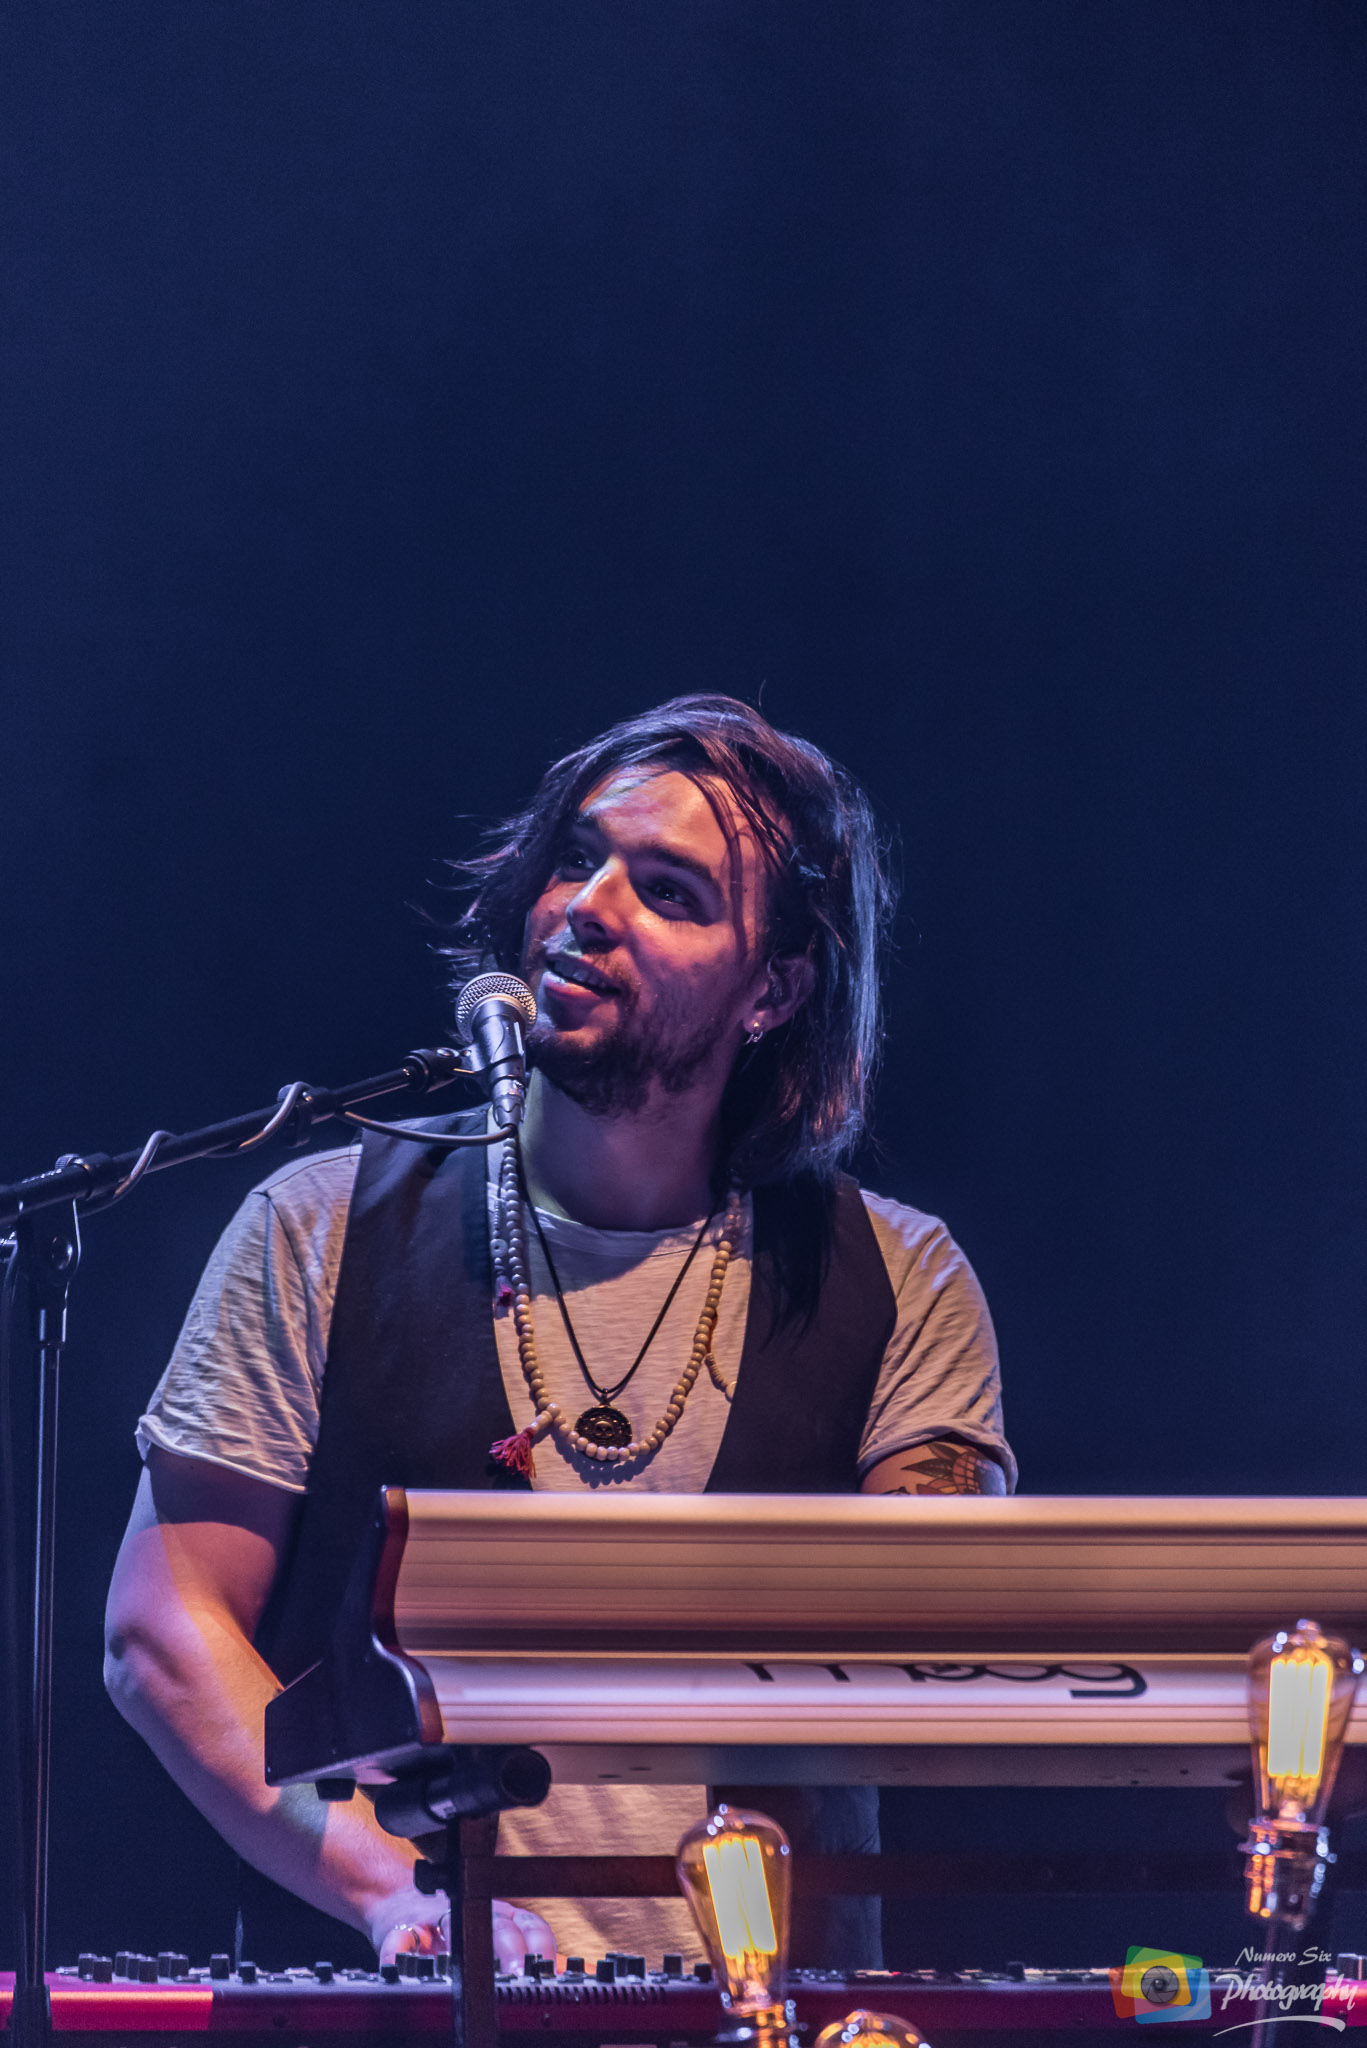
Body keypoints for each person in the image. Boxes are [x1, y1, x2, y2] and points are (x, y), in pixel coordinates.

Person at [104, 695, 1014, 1974]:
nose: (587, 905)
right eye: (577, 858)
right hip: (399, 2001)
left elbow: (927, 1640)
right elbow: (162, 1630)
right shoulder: (315, 1224)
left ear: (773, 988)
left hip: (765, 2004)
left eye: (668, 890)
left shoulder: (898, 1277)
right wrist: (389, 1889)